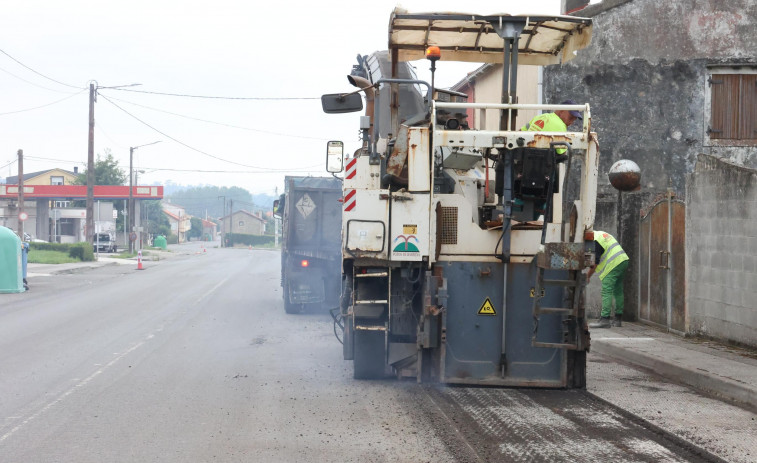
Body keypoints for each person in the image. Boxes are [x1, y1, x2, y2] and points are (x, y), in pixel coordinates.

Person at [588, 230, 629, 328]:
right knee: (618, 290)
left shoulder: (595, 240)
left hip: (613, 263)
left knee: (607, 291)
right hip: (623, 260)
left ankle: (604, 319)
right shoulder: (600, 234)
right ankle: (618, 319)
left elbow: (594, 263)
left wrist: (587, 276)